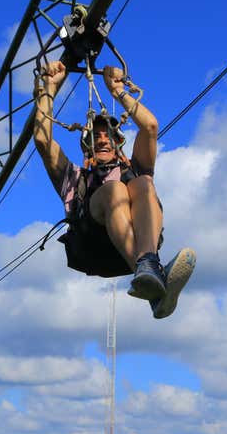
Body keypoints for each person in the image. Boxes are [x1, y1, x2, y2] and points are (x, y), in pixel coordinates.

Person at [33, 60, 195, 319]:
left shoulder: (134, 168)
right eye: (96, 137)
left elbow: (150, 127)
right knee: (115, 191)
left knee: (143, 183)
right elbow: (42, 140)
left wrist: (118, 91)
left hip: (138, 242)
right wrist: (48, 89)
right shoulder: (75, 178)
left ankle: (152, 280)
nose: (102, 139)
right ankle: (148, 268)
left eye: (108, 135)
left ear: (119, 143)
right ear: (87, 148)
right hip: (94, 245)